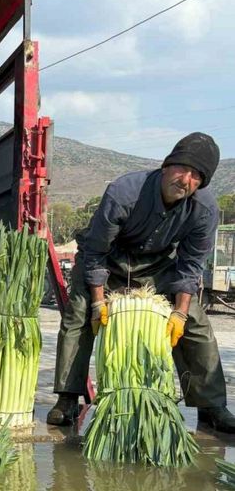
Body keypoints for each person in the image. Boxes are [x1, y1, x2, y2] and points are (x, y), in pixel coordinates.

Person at [48, 132, 235, 433]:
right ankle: (67, 399)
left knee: (196, 323)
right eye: (182, 168)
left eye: (197, 176)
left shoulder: (204, 210)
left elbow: (190, 266)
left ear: (201, 184)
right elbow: (95, 251)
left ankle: (212, 406)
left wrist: (179, 313)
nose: (186, 179)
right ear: (166, 166)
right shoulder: (125, 192)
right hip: (107, 259)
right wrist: (98, 301)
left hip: (156, 264)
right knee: (78, 314)